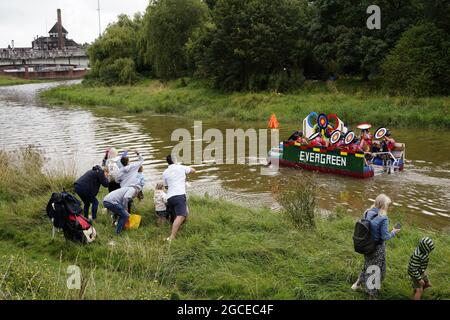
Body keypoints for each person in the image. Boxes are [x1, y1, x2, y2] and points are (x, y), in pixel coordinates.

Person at [351, 194, 401, 299]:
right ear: (383, 205)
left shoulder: (367, 212)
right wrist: (393, 232)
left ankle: (357, 285)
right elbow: (385, 237)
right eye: (387, 205)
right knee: (375, 271)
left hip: (365, 245)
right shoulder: (383, 218)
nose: (388, 207)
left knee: (367, 266)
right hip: (376, 248)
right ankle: (371, 296)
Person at [163, 155, 196, 241]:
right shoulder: (180, 167)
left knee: (184, 213)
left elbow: (166, 187)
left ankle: (179, 229)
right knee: (181, 215)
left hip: (170, 197)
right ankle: (172, 237)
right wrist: (186, 167)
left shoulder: (165, 172)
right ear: (175, 160)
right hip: (179, 195)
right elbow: (194, 171)